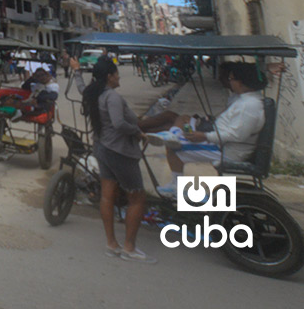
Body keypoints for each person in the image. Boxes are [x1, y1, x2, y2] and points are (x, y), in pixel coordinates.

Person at [148, 63, 266, 196]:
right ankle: (173, 135)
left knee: (174, 148)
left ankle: (176, 186)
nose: (230, 82)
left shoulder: (248, 105)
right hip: (220, 141)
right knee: (184, 119)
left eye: (232, 79)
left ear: (240, 82)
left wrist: (204, 136)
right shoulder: (245, 100)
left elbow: (236, 135)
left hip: (226, 150)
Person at [82, 56, 155, 263]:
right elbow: (119, 123)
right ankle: (129, 248)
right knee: (137, 197)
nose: (119, 76)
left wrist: (77, 71)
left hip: (102, 148)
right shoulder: (111, 97)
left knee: (107, 195)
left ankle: (111, 244)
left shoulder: (95, 94)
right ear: (109, 76)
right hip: (118, 151)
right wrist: (138, 132)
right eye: (116, 73)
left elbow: (80, 88)